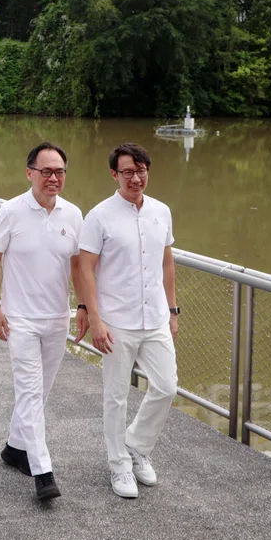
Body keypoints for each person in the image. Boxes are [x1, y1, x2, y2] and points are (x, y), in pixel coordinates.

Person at [75, 143, 179, 499]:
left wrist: (174, 310)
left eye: (142, 171)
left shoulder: (161, 211)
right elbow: (85, 269)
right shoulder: (99, 216)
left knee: (167, 386)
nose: (136, 179)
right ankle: (118, 465)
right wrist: (95, 318)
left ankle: (136, 444)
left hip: (156, 319)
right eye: (128, 172)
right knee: (116, 395)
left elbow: (167, 263)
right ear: (114, 175)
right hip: (116, 319)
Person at [0, 142, 87, 502]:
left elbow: (79, 266)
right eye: (46, 171)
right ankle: (43, 472)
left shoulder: (73, 215)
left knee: (38, 393)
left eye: (59, 171)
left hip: (57, 318)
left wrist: (85, 306)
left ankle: (15, 448)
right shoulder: (11, 211)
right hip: (20, 320)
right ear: (29, 173)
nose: (53, 178)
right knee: (30, 391)